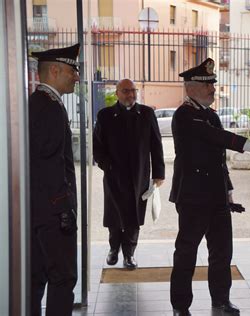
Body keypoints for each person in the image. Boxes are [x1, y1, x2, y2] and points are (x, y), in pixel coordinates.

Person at [169, 58, 250, 316]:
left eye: (213, 86)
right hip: (193, 197)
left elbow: (218, 158)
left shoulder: (210, 115)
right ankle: (180, 306)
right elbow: (216, 138)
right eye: (207, 86)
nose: (213, 90)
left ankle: (221, 300)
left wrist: (228, 189)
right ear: (191, 88)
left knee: (221, 252)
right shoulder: (184, 115)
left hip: (216, 197)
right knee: (187, 253)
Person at [29, 43, 81, 316]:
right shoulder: (49, 108)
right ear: (55, 70)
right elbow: (49, 164)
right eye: (73, 70)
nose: (76, 76)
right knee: (62, 278)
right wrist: (63, 208)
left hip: (38, 210)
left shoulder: (37, 103)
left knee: (36, 277)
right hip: (52, 212)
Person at [93, 78, 165, 269]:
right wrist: (107, 165)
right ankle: (113, 248)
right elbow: (97, 147)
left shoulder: (147, 114)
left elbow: (156, 145)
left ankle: (129, 254)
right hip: (113, 175)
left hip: (139, 174)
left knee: (134, 216)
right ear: (117, 93)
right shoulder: (105, 115)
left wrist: (159, 173)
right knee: (114, 214)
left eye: (133, 91)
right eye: (125, 91)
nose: (130, 95)